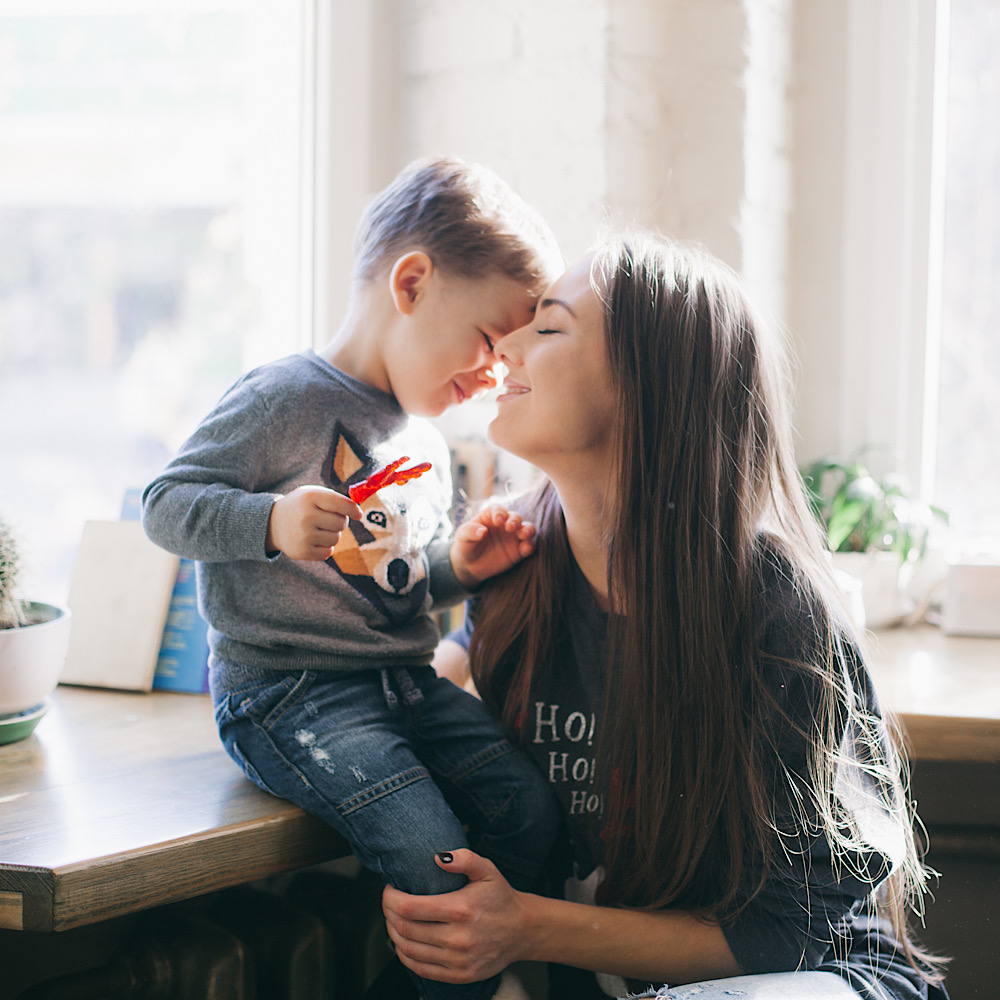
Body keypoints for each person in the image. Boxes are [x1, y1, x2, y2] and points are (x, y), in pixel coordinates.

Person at [382, 233, 949, 1000]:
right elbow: (430, 683)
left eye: (547, 327)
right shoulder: (514, 581)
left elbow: (784, 930)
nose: (504, 346)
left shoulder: (779, 614)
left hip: (813, 979)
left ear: (651, 386)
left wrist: (525, 927)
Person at [142, 157, 565, 1000]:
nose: (495, 376)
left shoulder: (428, 443)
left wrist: (461, 568)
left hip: (401, 683)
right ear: (411, 282)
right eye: (490, 341)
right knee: (435, 862)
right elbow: (165, 503)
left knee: (531, 818)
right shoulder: (282, 399)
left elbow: (397, 586)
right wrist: (268, 522)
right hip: (286, 693)